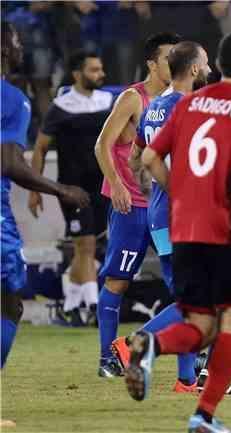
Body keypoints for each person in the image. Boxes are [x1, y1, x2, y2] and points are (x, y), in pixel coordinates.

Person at [124, 31, 231, 433]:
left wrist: (180, 191)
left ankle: (151, 345)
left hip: (184, 228)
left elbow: (148, 157)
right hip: (230, 229)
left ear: (217, 65)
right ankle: (204, 416)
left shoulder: (187, 104)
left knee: (200, 327)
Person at [110, 41, 211, 394]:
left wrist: (153, 188)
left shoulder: (155, 107)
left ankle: (186, 380)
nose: (210, 69)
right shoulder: (188, 108)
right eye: (206, 64)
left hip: (159, 211)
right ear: (194, 68)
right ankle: (133, 344)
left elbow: (136, 157)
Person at [1, 21, 90, 369]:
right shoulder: (12, 99)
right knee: (9, 304)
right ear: (3, 49)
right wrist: (60, 189)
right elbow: (9, 162)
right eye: (16, 41)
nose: (21, 47)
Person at [94, 32, 181, 378]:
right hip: (131, 207)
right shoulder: (134, 98)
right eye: (168, 57)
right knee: (118, 281)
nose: (174, 63)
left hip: (164, 207)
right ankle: (108, 358)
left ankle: (189, 364)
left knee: (185, 288)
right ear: (151, 64)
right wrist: (116, 184)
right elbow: (102, 144)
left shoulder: (179, 100)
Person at [28, 50, 111, 326]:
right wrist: (34, 189)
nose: (101, 74)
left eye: (101, 69)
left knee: (86, 248)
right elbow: (40, 148)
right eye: (94, 70)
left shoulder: (108, 102)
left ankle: (71, 304)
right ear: (77, 74)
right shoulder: (61, 107)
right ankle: (94, 307)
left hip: (103, 188)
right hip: (72, 189)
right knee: (85, 245)